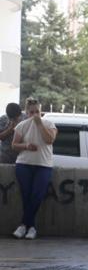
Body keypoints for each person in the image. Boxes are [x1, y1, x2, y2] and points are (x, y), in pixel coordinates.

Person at [10, 98, 57, 240]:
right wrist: (26, 146)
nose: (35, 114)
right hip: (24, 164)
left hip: (43, 165)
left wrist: (40, 124)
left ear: (41, 111)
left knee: (37, 195)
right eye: (32, 112)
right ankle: (30, 227)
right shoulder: (22, 126)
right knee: (26, 196)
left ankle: (24, 225)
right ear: (27, 112)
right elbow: (14, 145)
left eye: (37, 111)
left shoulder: (49, 124)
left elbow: (50, 140)